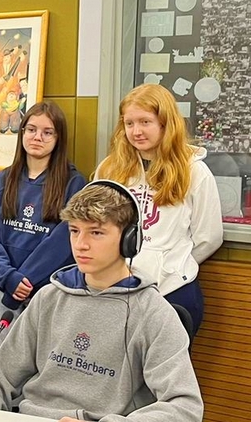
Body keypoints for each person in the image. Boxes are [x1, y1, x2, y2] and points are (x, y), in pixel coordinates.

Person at [0, 181, 203, 422]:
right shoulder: (48, 298)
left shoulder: (153, 313)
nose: (81, 244)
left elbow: (185, 411)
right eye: (74, 231)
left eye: (96, 232)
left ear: (129, 240)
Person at [95, 83, 223, 336]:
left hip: (171, 291)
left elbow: (209, 237)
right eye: (129, 123)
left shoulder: (194, 172)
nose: (136, 131)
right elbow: (94, 226)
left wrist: (171, 265)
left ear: (165, 123)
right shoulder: (110, 169)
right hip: (116, 287)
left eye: (145, 122)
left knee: (165, 363)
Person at [0, 101, 86, 332]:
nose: (37, 137)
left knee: (44, 354)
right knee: (5, 353)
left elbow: (62, 242)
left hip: (47, 289)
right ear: (22, 133)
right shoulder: (0, 180)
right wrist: (9, 278)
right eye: (31, 129)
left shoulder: (74, 183)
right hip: (1, 285)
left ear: (58, 138)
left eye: (47, 132)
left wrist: (24, 280)